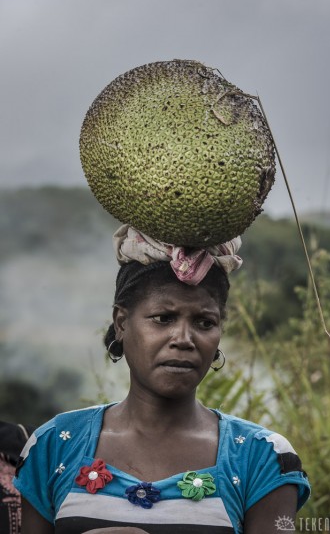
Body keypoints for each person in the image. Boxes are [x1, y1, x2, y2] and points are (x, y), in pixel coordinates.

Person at [14, 226, 310, 533]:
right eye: (163, 318)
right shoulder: (53, 446)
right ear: (121, 323)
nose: (184, 339)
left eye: (204, 322)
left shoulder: (262, 457)